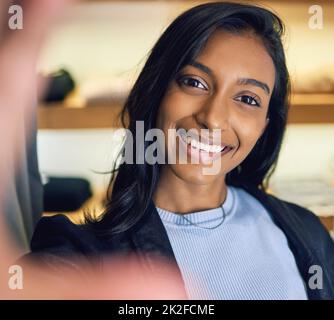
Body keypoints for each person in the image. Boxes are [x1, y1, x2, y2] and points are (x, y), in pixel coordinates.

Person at [27, 2, 334, 299]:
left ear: (265, 126)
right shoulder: (80, 258)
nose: (213, 117)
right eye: (195, 82)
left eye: (248, 99)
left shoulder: (308, 232)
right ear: (157, 89)